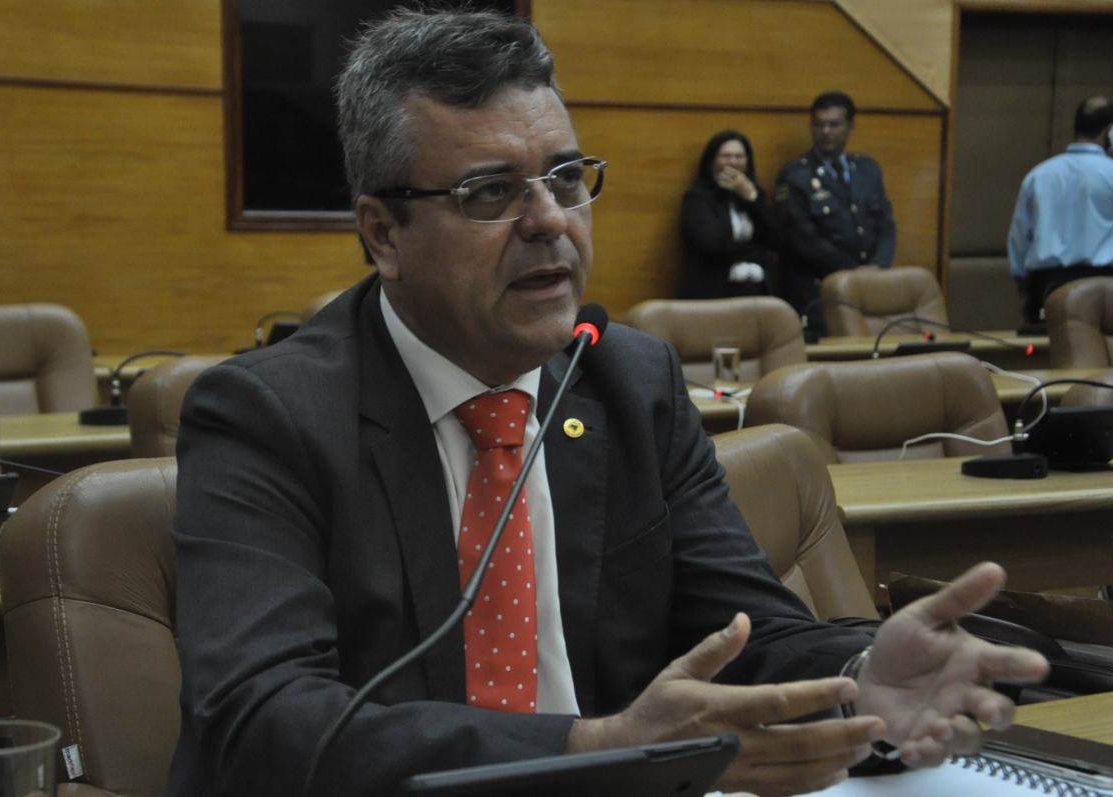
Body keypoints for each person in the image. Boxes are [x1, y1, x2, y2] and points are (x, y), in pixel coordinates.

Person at [164, 11, 1047, 797]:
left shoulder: (629, 382)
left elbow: (747, 630)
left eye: (564, 178)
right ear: (383, 234)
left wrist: (859, 665)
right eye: (490, 193)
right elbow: (261, 724)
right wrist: (590, 749)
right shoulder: (264, 415)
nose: (549, 220)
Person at [775, 91, 897, 333]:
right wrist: (854, 273)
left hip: (869, 289)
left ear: (851, 127)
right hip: (820, 293)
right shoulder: (795, 175)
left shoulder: (868, 169)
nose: (826, 132)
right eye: (819, 124)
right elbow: (803, 239)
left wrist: (878, 267)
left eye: (834, 124)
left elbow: (886, 226)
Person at [1008, 96, 1113, 325]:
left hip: (1045, 286)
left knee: (1043, 356)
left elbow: (1019, 238)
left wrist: (1026, 289)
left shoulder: (1038, 175)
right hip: (1104, 288)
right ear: (1109, 130)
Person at [679, 130, 788, 300]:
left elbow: (777, 238)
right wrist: (760, 254)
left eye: (739, 156)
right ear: (711, 161)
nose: (733, 162)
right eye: (726, 156)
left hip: (756, 291)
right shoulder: (697, 198)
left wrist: (752, 199)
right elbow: (714, 244)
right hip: (715, 291)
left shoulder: (754, 196)